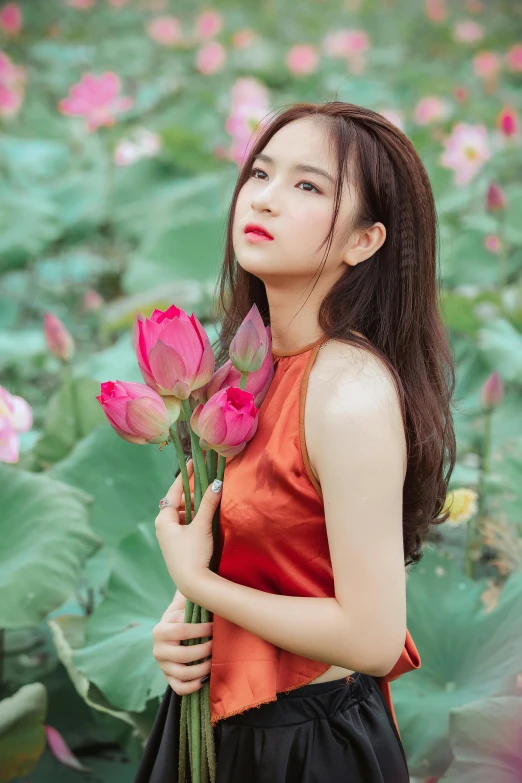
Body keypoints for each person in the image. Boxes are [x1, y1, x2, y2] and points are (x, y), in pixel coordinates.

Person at [134, 101, 456, 782]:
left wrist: (196, 582)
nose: (267, 199)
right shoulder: (244, 373)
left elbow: (370, 638)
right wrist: (180, 622)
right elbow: (250, 545)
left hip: (307, 745)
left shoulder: (348, 393)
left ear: (363, 242)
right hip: (218, 723)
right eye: (261, 173)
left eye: (307, 186)